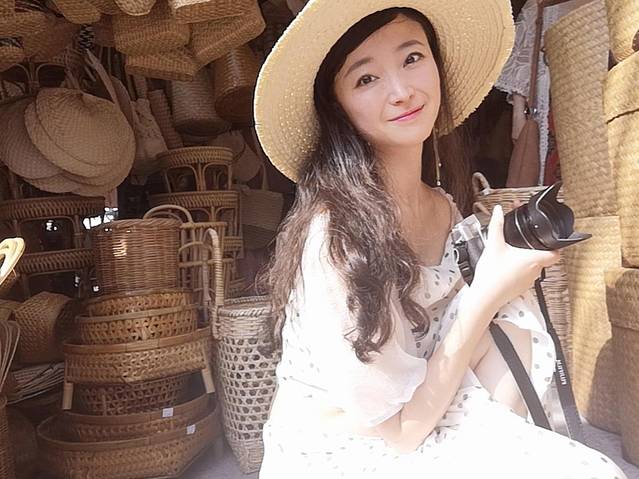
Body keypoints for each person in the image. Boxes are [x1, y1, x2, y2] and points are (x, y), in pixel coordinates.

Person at [252, 1, 627, 478]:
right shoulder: (337, 235)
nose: (402, 91)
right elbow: (400, 431)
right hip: (346, 453)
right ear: (337, 107)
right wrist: (486, 292)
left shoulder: (441, 205)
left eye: (412, 58)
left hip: (428, 415)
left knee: (511, 315)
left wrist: (501, 286)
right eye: (366, 79)